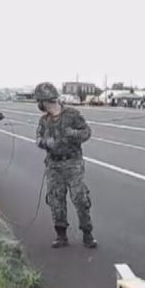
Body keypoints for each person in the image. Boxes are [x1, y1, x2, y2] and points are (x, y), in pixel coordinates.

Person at [33, 82, 96, 249]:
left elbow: (87, 132)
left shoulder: (72, 114)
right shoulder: (44, 120)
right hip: (54, 164)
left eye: (40, 101)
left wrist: (72, 134)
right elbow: (38, 139)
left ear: (45, 101)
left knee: (79, 197)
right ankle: (61, 235)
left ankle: (87, 233)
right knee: (55, 199)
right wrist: (46, 142)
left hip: (73, 163)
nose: (39, 105)